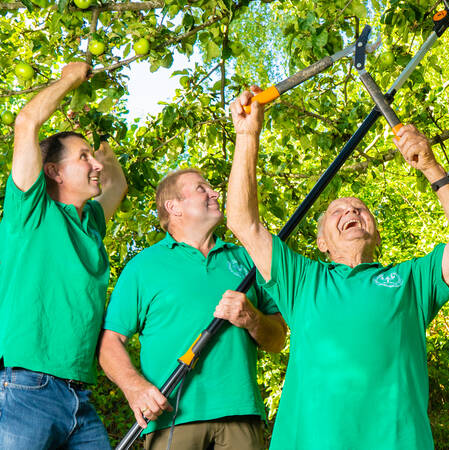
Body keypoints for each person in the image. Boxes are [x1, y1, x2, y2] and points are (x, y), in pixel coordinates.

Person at [225, 88, 449, 449]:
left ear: (376, 233)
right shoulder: (301, 279)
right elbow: (243, 222)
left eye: (360, 209)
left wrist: (430, 165)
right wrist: (247, 134)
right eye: (338, 211)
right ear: (322, 243)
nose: (351, 212)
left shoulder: (411, 280)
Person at [99, 168, 287, 450]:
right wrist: (135, 388)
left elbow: (277, 339)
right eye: (201, 188)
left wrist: (252, 319)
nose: (214, 193)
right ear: (173, 207)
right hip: (172, 417)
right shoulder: (144, 266)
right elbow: (109, 342)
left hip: (240, 414)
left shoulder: (248, 259)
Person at [0, 62, 127, 448]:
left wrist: (103, 150)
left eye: (92, 158)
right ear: (52, 171)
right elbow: (27, 122)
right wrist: (71, 78)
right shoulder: (31, 210)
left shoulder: (89, 223)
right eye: (83, 158)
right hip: (25, 388)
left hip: (78, 397)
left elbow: (116, 185)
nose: (94, 166)